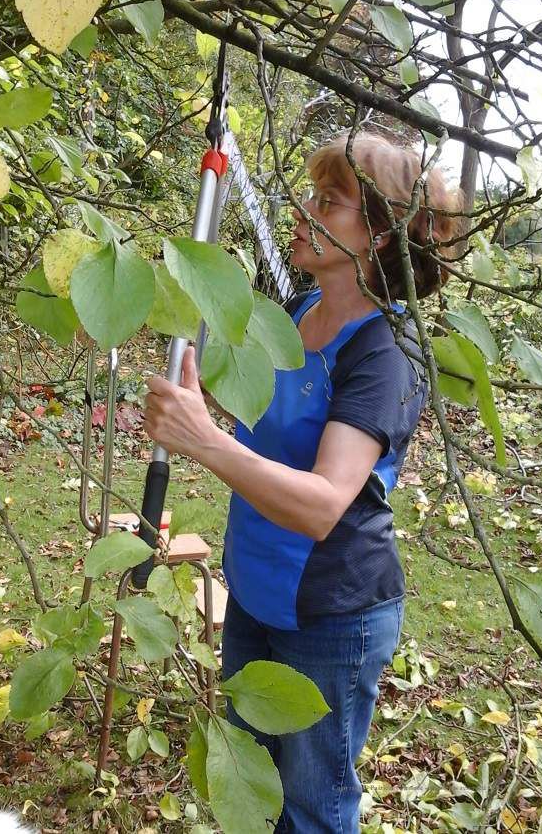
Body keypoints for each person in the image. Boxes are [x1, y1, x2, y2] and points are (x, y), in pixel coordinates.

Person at [143, 132, 461, 833]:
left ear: (378, 235)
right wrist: (204, 402)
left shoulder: (387, 352)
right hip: (254, 596)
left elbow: (320, 504)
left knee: (312, 811)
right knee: (253, 795)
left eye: (329, 200)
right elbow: (273, 427)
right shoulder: (295, 316)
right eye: (310, 195)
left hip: (332, 616)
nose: (302, 209)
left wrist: (202, 439)